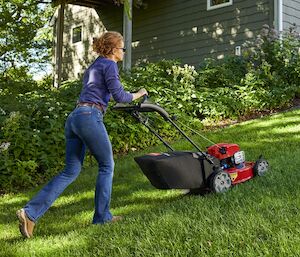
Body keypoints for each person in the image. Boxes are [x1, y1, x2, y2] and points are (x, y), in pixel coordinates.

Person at [16, 31, 148, 238]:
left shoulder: (95, 65)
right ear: (114, 50)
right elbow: (120, 96)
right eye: (122, 48)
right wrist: (139, 93)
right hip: (90, 116)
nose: (124, 51)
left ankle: (30, 213)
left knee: (71, 171)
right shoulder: (110, 64)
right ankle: (102, 217)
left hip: (75, 117)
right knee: (107, 165)